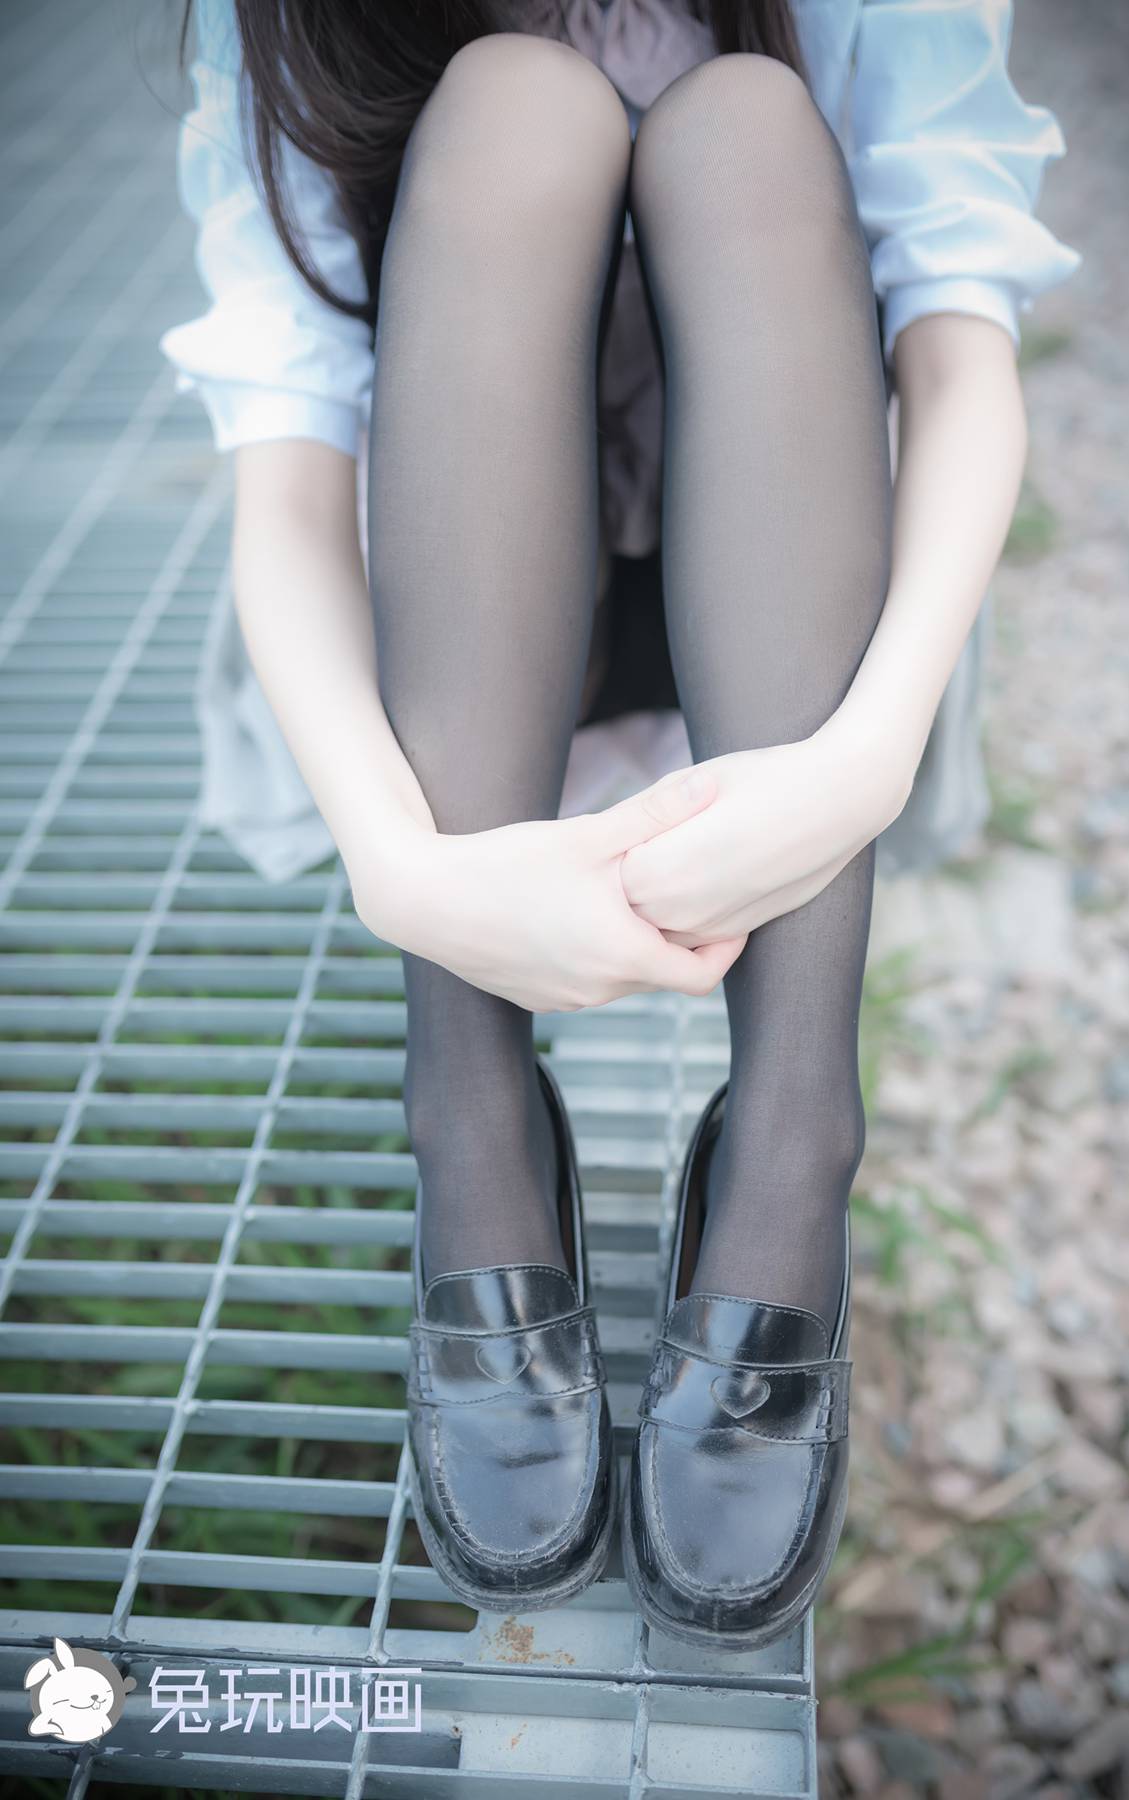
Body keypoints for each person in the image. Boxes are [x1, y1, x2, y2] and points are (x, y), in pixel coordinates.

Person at [162, 0, 1081, 1645]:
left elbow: (963, 367)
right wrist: (403, 874)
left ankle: (794, 1140)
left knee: (747, 125)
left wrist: (871, 759)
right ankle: (469, 1119)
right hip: (450, 657)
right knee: (509, 106)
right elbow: (286, 496)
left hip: (803, 645)